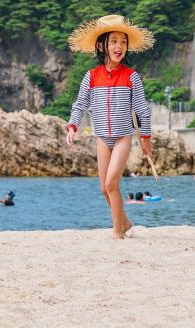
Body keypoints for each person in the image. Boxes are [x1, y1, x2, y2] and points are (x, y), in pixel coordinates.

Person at [64, 14, 154, 239]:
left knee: (112, 182)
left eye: (123, 42)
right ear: (102, 45)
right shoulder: (91, 76)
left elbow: (142, 109)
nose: (119, 46)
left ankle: (117, 233)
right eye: (113, 41)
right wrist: (73, 125)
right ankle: (124, 222)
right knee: (104, 188)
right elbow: (81, 103)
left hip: (123, 136)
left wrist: (146, 139)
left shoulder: (132, 77)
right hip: (102, 137)